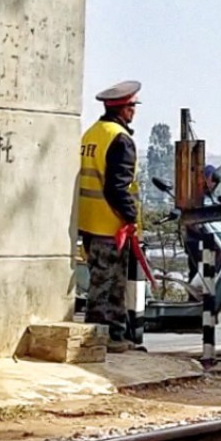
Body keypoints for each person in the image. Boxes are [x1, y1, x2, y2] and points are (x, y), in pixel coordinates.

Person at [77, 80, 143, 352]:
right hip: (110, 224)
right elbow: (116, 187)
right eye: (132, 106)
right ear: (123, 108)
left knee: (102, 282)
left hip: (88, 223)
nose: (134, 111)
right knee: (107, 287)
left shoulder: (92, 134)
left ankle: (114, 338)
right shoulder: (120, 140)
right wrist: (131, 217)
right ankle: (101, 340)